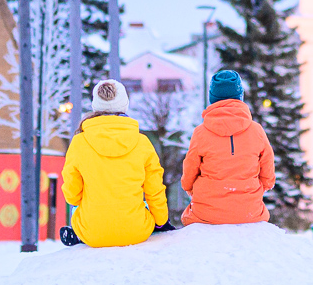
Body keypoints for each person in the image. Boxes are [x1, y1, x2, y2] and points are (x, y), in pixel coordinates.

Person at [60, 79, 168, 247]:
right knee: (143, 204)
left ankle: (78, 234)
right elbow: (155, 191)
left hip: (92, 233)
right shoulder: (142, 142)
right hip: (137, 231)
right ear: (124, 105)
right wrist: (161, 221)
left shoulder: (79, 142)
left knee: (79, 208)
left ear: (95, 106)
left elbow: (72, 195)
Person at [180, 69, 275, 226]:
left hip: (205, 214)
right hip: (250, 212)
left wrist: (190, 189)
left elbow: (189, 173)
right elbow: (268, 175)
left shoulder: (200, 133)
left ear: (212, 98)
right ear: (240, 96)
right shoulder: (256, 131)